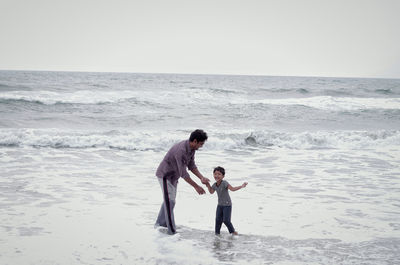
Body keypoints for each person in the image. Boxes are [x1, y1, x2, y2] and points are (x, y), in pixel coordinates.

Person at [155, 129, 210, 234]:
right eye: (201, 144)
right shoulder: (181, 150)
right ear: (194, 141)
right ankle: (172, 231)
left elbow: (191, 165)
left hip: (174, 177)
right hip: (165, 176)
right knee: (170, 201)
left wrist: (201, 178)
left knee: (169, 201)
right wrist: (196, 186)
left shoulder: (192, 149)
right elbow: (183, 173)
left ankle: (159, 224)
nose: (201, 146)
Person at [205, 166, 247, 235]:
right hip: (220, 205)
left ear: (223, 176)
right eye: (215, 174)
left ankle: (233, 232)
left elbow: (232, 189)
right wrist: (207, 184)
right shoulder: (214, 185)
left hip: (227, 205)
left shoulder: (224, 183)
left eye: (219, 174)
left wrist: (241, 186)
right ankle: (217, 234)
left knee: (226, 220)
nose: (217, 176)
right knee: (218, 220)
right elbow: (211, 191)